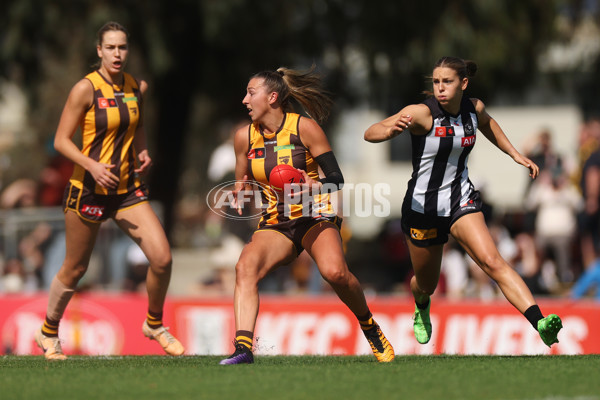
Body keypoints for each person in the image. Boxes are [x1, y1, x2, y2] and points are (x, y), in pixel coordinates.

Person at [364, 56, 562, 348]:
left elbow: (489, 124)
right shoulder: (421, 114)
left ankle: (540, 321)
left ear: (463, 83)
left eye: (447, 82)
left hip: (460, 200)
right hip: (423, 209)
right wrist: (390, 131)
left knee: (492, 261)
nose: (440, 88)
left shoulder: (473, 108)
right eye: (436, 82)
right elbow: (371, 132)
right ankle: (421, 305)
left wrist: (515, 154)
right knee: (426, 284)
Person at [219, 67, 394, 364]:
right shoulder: (243, 138)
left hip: (315, 216)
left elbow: (337, 179)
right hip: (276, 223)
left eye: (251, 93)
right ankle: (243, 349)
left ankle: (369, 326)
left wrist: (315, 185)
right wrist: (239, 191)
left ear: (272, 97)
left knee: (335, 273)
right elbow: (241, 178)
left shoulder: (304, 129)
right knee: (244, 267)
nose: (244, 100)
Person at [34, 21, 184, 360]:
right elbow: (60, 141)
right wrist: (92, 166)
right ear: (99, 51)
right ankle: (47, 332)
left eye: (123, 47)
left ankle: (154, 323)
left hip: (127, 189)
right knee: (75, 268)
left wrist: (142, 150)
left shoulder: (135, 86)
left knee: (162, 258)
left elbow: (139, 124)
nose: (118, 54)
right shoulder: (85, 89)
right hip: (87, 189)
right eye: (111, 48)